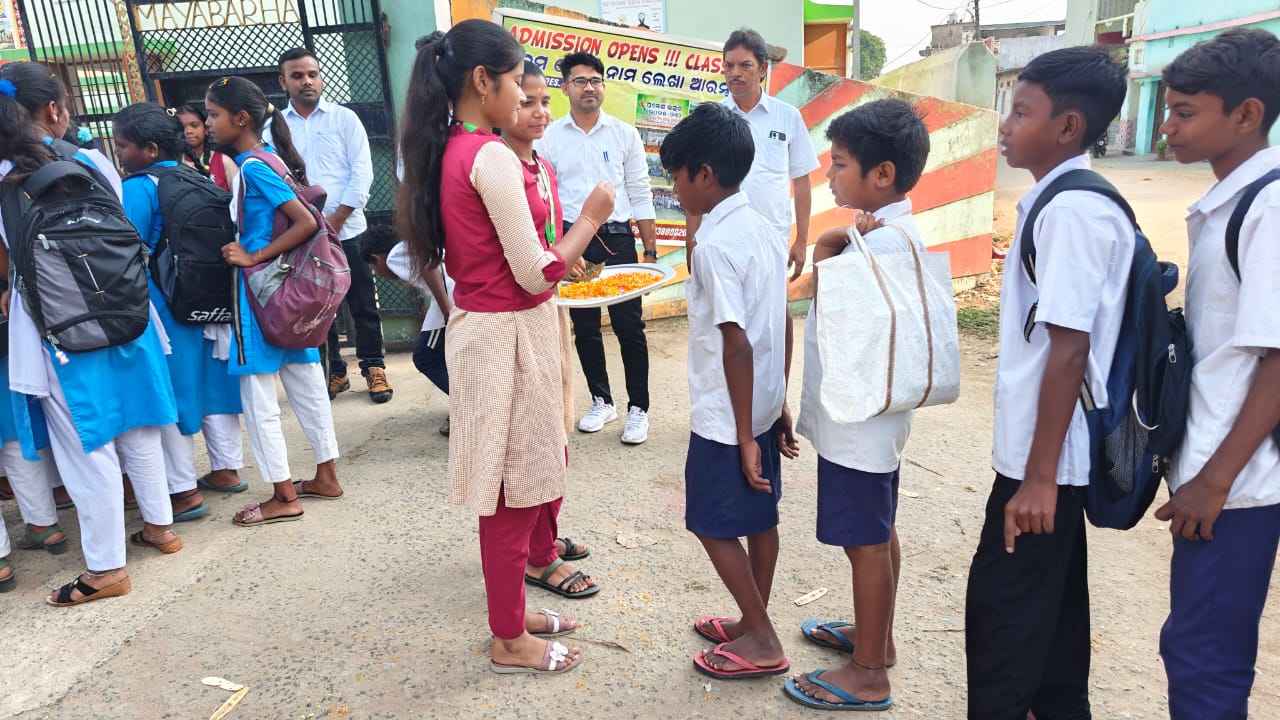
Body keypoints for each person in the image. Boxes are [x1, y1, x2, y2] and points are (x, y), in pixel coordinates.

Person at [398, 20, 614, 674]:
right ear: (482, 80)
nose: (525, 94)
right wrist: (591, 219)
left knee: (513, 486)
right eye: (518, 80)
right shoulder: (488, 155)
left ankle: (511, 618)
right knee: (513, 493)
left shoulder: (456, 147)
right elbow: (536, 270)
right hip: (507, 334)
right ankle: (508, 639)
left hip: (489, 328)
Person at [964, 47, 1130, 718]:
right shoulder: (1060, 202)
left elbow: (1069, 348)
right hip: (1047, 456)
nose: (1005, 125)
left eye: (1021, 112)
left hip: (1048, 463)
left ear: (1067, 127)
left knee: (1001, 629)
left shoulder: (1072, 213)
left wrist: (1038, 480)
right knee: (1052, 629)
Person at [0, 62, 182, 605]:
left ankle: (106, 570)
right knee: (138, 424)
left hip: (57, 327)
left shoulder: (5, 177)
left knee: (88, 442)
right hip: (126, 308)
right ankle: (161, 528)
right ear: (54, 109)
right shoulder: (93, 160)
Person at [782, 99, 930, 711]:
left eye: (840, 164)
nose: (830, 174)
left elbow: (835, 314)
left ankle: (869, 671)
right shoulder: (887, 234)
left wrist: (824, 249)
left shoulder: (880, 247)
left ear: (882, 174)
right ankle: (877, 638)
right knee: (878, 529)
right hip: (872, 421)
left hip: (860, 422)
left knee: (865, 540)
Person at [1155, 28, 1280, 720]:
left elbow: (1278, 357)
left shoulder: (1268, 207)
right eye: (1167, 109)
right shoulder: (1232, 200)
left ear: (1246, 115)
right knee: (1196, 647)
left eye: (1184, 112)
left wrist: (1215, 480)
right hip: (1222, 474)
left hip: (1239, 484)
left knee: (1206, 659)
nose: (1168, 127)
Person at [662, 102, 791, 679]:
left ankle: (761, 637)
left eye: (677, 175)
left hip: (726, 414)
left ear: (705, 174)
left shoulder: (713, 247)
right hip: (759, 402)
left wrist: (741, 435)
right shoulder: (763, 229)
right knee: (760, 519)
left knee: (709, 523)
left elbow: (736, 343)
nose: (674, 188)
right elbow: (780, 318)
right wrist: (778, 400)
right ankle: (751, 618)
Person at [205, 75, 343, 526]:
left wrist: (253, 255)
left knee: (259, 398)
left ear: (241, 119)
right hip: (289, 292)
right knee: (306, 383)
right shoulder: (272, 159)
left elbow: (305, 222)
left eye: (214, 115)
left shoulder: (252, 167)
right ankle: (326, 476)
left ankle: (283, 495)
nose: (208, 124)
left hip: (261, 294)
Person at [114, 102, 247, 521]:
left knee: (170, 391)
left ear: (150, 149)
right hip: (209, 298)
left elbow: (127, 249)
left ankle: (183, 490)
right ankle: (227, 468)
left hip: (164, 304)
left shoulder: (139, 188)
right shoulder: (196, 176)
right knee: (213, 383)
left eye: (123, 145)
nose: (119, 153)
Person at [537, 51, 656, 445]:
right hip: (572, 239)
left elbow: (640, 191)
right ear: (564, 88)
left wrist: (650, 251)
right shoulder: (549, 137)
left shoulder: (624, 134)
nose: (589, 88)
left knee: (629, 326)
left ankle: (639, 407)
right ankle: (602, 400)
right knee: (585, 327)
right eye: (580, 81)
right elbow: (546, 199)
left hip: (617, 237)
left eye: (595, 80)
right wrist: (558, 249)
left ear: (603, 86)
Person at [274, 48, 388, 404]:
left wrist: (336, 219)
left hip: (348, 230)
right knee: (317, 304)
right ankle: (334, 371)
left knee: (362, 302)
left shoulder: (344, 119)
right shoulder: (275, 127)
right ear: (283, 81)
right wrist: (306, 224)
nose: (306, 81)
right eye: (297, 76)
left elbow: (362, 172)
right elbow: (275, 179)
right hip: (302, 235)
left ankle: (373, 367)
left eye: (312, 74)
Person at [688, 28, 819, 282]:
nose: (735, 73)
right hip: (719, 239)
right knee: (723, 305)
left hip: (772, 238)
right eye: (729, 65)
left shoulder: (787, 117)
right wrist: (691, 242)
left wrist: (802, 240)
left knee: (773, 305)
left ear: (762, 70)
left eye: (745, 65)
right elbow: (694, 182)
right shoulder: (710, 119)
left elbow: (802, 182)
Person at [176, 104, 238, 191]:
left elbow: (240, 196)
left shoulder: (223, 161)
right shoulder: (175, 165)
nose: (188, 131)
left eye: (194, 125)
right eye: (182, 127)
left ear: (206, 130)